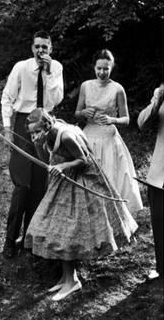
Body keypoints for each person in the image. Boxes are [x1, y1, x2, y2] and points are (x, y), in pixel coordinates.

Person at [24, 108, 137, 301]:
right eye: (32, 133)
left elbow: (83, 160)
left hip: (84, 180)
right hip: (66, 180)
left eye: (36, 132)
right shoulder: (47, 135)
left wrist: (63, 166)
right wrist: (39, 145)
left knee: (66, 232)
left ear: (46, 125)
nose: (34, 135)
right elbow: (47, 163)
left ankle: (72, 281)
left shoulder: (66, 136)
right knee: (56, 229)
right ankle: (66, 277)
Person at [1, 30, 64, 258]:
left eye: (45, 47)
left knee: (39, 183)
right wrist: (8, 129)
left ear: (51, 49)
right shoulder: (21, 67)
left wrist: (49, 74)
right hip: (22, 123)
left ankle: (29, 238)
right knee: (22, 184)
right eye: (37, 46)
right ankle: (10, 240)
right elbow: (7, 98)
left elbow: (56, 99)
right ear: (32, 47)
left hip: (44, 125)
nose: (40, 51)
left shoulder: (56, 68)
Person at [75, 49, 143, 213]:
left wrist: (113, 120)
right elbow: (77, 113)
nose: (102, 72)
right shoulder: (86, 86)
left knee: (110, 176)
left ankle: (113, 213)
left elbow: (126, 119)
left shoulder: (118, 89)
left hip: (109, 138)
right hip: (88, 136)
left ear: (111, 68)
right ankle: (89, 212)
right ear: (94, 67)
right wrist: (83, 113)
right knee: (87, 176)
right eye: (99, 68)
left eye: (106, 68)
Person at [138, 84, 164, 280]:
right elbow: (142, 123)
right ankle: (163, 267)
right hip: (160, 171)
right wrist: (157, 100)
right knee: (160, 219)